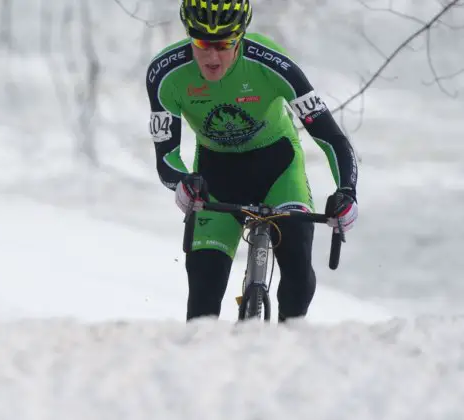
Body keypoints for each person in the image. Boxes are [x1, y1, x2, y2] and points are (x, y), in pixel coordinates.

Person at [145, 0, 359, 322]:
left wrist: (347, 191)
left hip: (278, 169)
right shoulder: (166, 74)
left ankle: (287, 350)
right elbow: (167, 159)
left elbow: (332, 138)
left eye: (223, 44)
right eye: (202, 43)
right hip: (216, 177)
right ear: (189, 35)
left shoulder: (273, 64)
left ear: (240, 37)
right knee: (203, 292)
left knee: (298, 272)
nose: (212, 57)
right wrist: (183, 183)